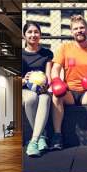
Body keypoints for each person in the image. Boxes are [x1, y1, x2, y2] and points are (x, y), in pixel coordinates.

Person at [50, 15, 87, 150]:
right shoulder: (64, 48)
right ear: (71, 32)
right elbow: (55, 69)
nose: (79, 30)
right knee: (55, 95)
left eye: (82, 28)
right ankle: (57, 136)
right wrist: (56, 80)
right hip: (69, 93)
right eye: (76, 28)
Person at [22, 22, 53, 156]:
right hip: (24, 89)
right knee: (31, 98)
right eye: (30, 32)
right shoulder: (21, 54)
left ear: (40, 35)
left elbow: (49, 76)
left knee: (45, 98)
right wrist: (24, 80)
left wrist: (45, 83)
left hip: (42, 89)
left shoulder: (47, 53)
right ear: (24, 35)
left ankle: (33, 141)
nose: (33, 35)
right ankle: (41, 137)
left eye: (36, 32)